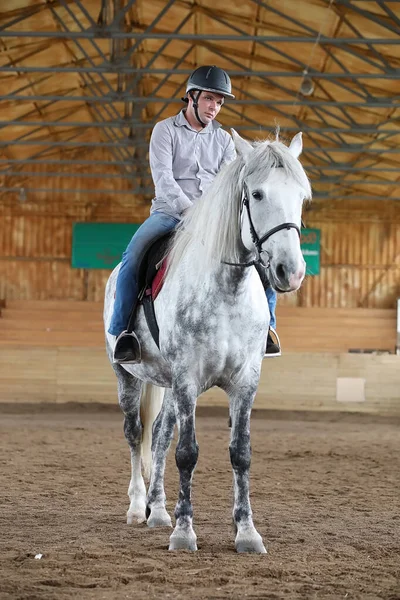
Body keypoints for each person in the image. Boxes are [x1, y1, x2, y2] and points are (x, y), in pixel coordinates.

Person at [108, 65, 280, 363]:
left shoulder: (224, 140)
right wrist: (192, 212)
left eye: (220, 102)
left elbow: (226, 184)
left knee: (259, 258)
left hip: (213, 221)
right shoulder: (164, 130)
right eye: (210, 100)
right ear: (192, 97)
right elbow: (163, 179)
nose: (215, 107)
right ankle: (124, 333)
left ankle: (268, 328)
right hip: (170, 214)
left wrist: (214, 217)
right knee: (133, 258)